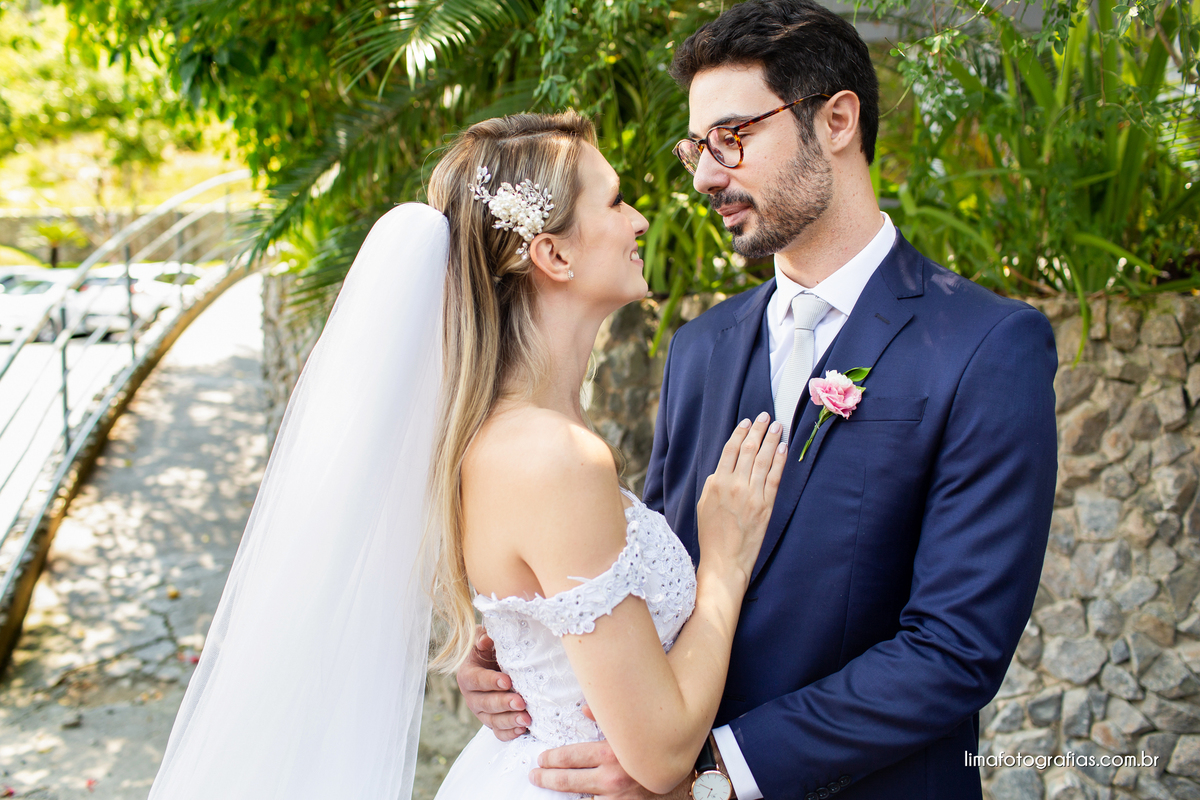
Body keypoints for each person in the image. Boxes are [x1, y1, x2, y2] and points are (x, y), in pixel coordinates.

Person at [456, 2, 1059, 799]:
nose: (706, 175)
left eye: (732, 137)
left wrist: (717, 769)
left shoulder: (987, 345)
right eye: (698, 147)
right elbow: (651, 582)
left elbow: (955, 648)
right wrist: (524, 645)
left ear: (837, 120)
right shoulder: (700, 348)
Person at [146, 111, 788, 800]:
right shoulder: (554, 456)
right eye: (613, 200)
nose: (638, 220)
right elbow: (660, 753)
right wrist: (723, 564)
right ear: (554, 255)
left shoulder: (493, 436)